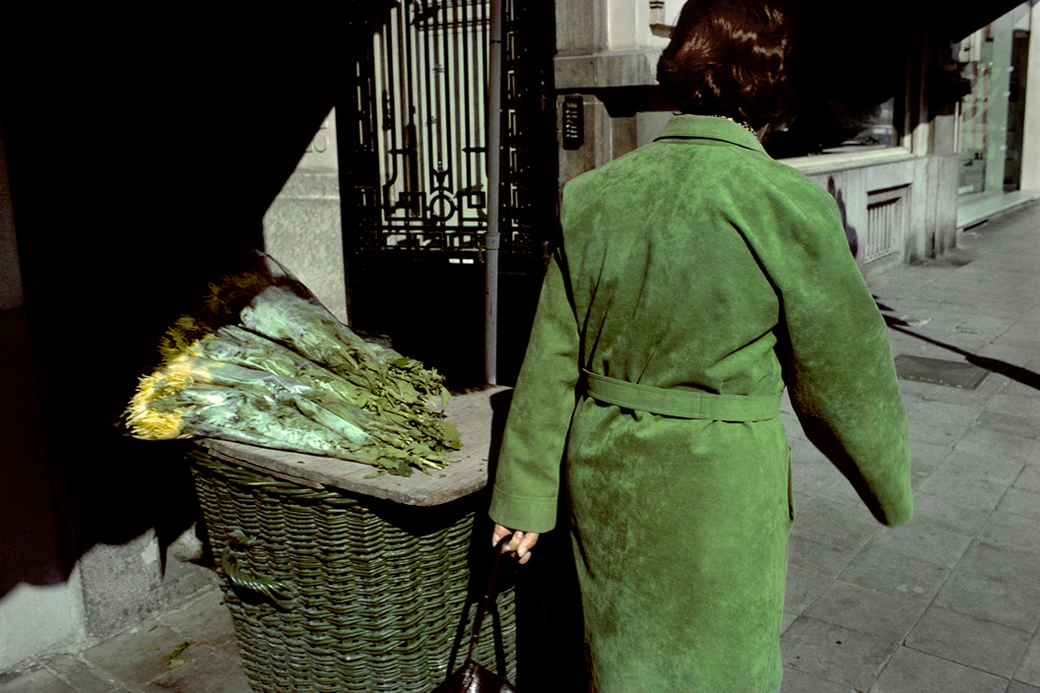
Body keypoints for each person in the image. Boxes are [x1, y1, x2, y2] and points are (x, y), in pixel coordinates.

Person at [488, 1, 913, 690]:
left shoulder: (594, 196)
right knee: (723, 664)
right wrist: (889, 486)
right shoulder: (784, 202)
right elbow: (847, 372)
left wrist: (524, 499)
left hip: (606, 473)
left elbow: (551, 360)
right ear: (775, 86)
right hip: (719, 488)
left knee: (619, 659)